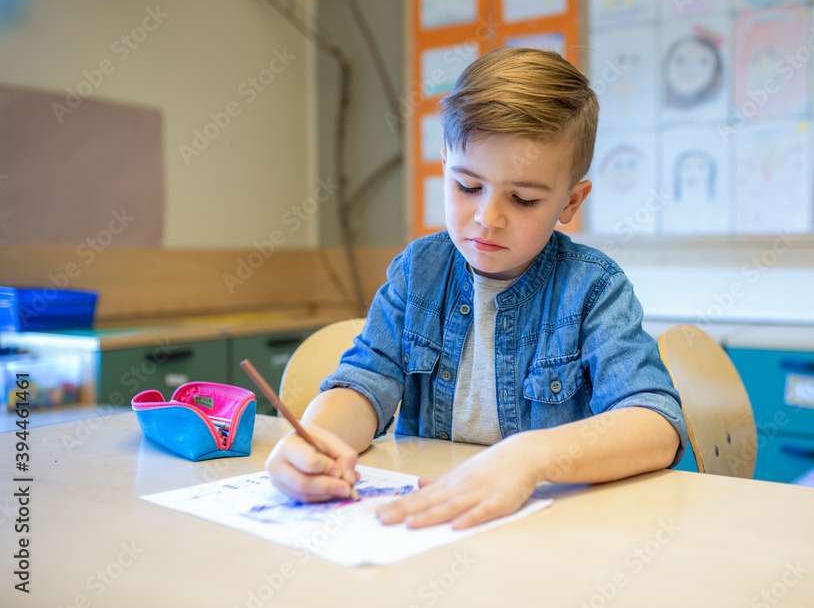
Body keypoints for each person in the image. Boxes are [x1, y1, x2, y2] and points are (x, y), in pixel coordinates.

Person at [265, 47, 687, 530]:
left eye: (523, 198)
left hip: (555, 529)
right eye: (467, 187)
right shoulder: (418, 271)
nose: (488, 217)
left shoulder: (594, 289)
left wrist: (529, 458)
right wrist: (315, 438)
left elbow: (656, 423)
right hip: (437, 520)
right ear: (445, 166)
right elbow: (365, 383)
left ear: (571, 202)